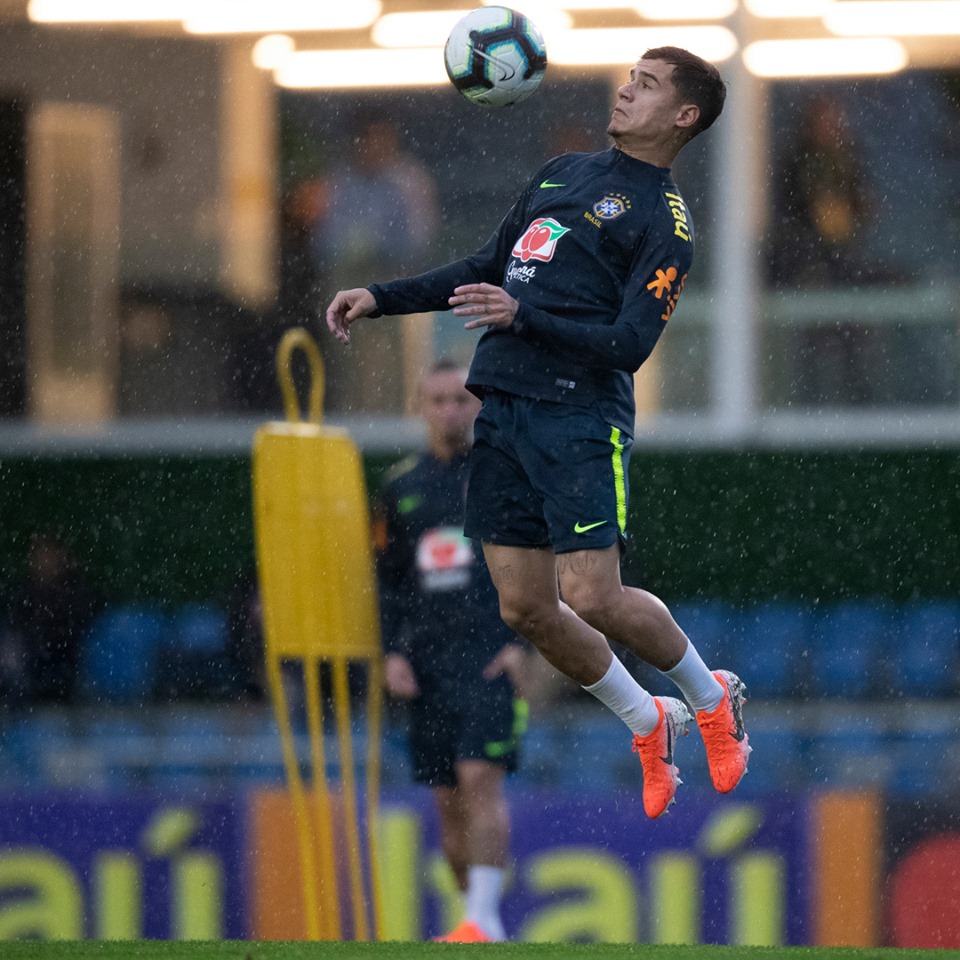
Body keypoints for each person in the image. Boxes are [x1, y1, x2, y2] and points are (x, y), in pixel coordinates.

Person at [327, 47, 751, 823]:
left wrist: (527, 318)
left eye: (647, 86)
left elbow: (630, 344)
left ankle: (707, 694)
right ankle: (647, 719)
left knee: (592, 593)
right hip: (505, 411)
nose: (626, 90)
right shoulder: (562, 171)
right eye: (631, 77)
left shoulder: (667, 222)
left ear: (684, 116)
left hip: (579, 419)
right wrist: (380, 297)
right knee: (525, 608)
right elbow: (489, 265)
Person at [375, 360, 528, 943]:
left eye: (460, 400)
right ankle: (475, 919)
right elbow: (387, 580)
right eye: (438, 400)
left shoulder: (507, 474)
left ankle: (485, 920)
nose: (449, 411)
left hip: (489, 658)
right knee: (446, 800)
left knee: (479, 780)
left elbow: (548, 563)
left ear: (478, 405)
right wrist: (392, 653)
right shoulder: (400, 488)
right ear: (420, 406)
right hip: (428, 665)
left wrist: (522, 642)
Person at [309, 115, 439, 414]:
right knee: (345, 353)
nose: (374, 149)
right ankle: (350, 414)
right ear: (358, 144)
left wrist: (378, 243)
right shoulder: (338, 182)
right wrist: (350, 245)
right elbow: (322, 240)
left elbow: (420, 237)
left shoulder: (408, 181)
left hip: (391, 276)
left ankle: (396, 418)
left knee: (395, 355)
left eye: (382, 142)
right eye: (368, 142)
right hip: (347, 275)